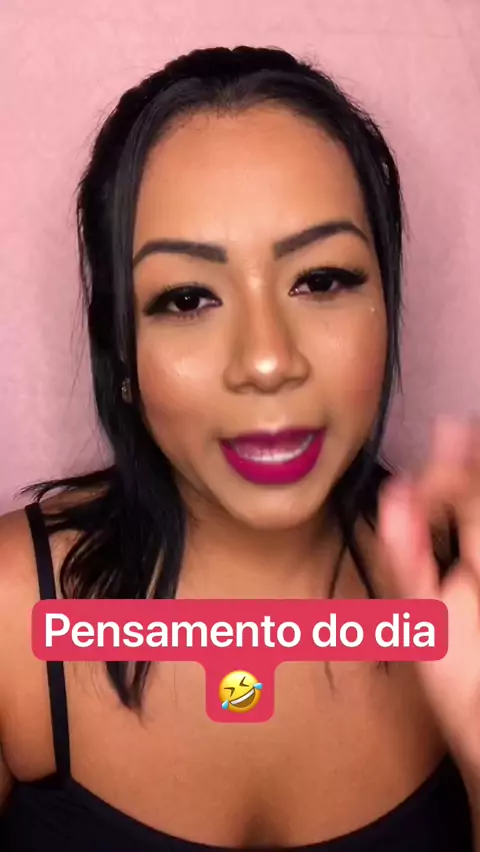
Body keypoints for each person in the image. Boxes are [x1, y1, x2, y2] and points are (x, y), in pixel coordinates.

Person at [0, 44, 478, 851]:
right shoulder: (11, 614)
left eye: (322, 280)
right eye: (187, 298)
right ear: (122, 355)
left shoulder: (466, 599)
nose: (266, 361)